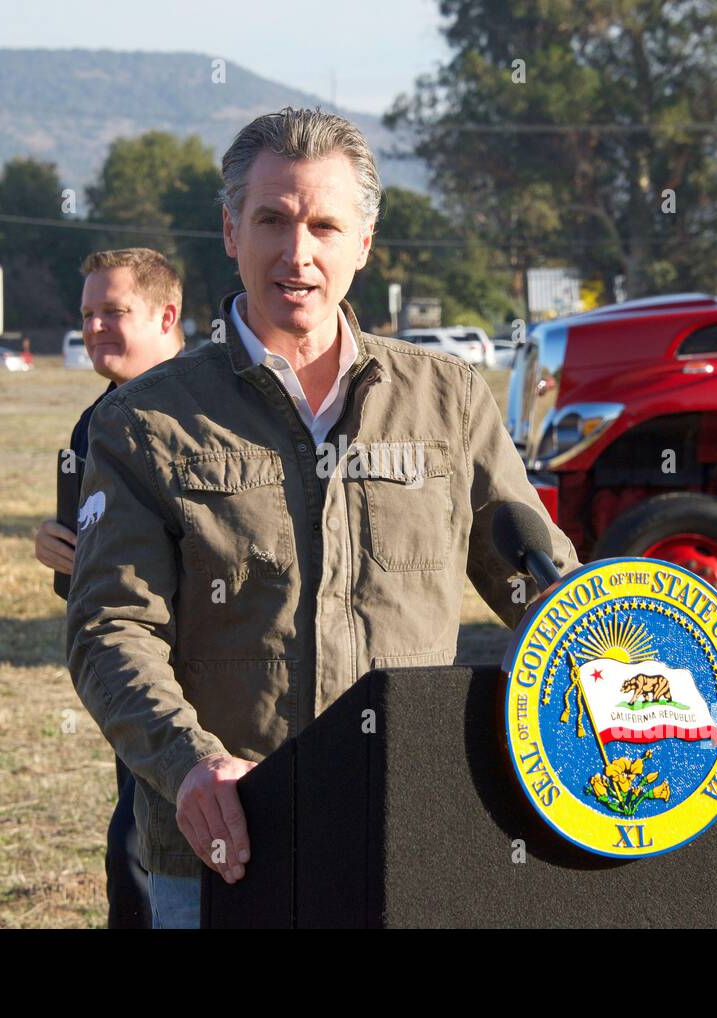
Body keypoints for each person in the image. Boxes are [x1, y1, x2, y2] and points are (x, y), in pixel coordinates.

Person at [66, 107, 580, 929]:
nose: (297, 253)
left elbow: (551, 598)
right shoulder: (145, 422)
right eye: (271, 219)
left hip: (404, 844)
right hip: (222, 856)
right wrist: (191, 768)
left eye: (324, 225)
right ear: (231, 230)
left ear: (364, 243)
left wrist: (640, 671)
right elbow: (108, 630)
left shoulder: (447, 402)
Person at [34, 247, 184, 929]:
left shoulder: (219, 408)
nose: (95, 327)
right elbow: (86, 587)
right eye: (88, 313)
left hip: (231, 666)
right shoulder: (90, 428)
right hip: (142, 677)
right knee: (136, 845)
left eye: (114, 311)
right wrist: (61, 554)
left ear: (167, 315)